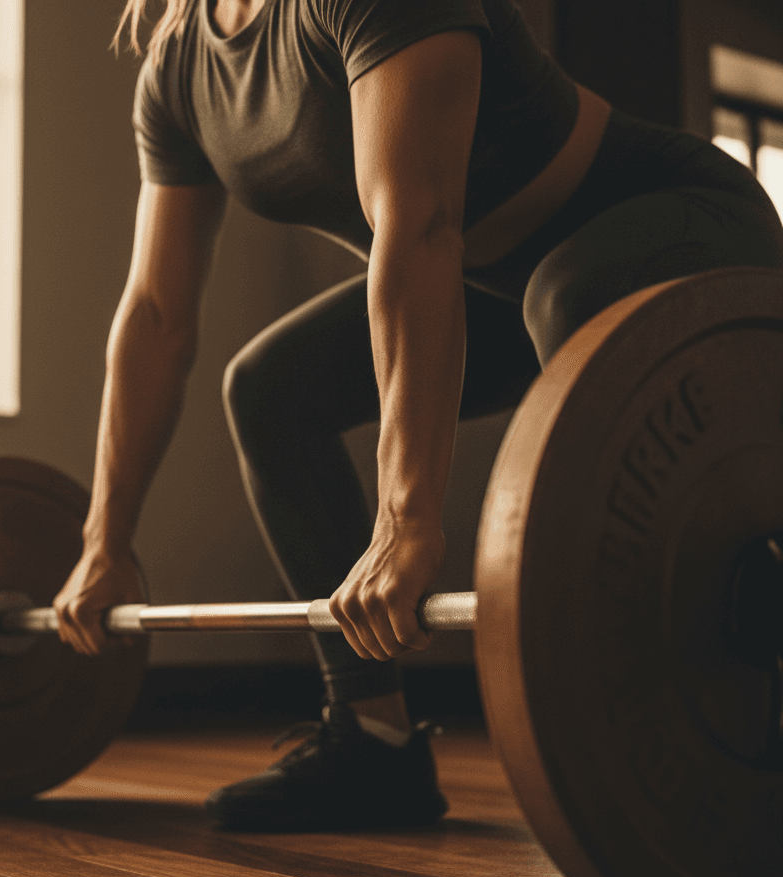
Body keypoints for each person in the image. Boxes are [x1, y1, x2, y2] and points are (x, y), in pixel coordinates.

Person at [53, 0, 783, 831]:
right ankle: (374, 742)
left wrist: (407, 518)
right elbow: (154, 315)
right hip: (510, 286)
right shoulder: (179, 69)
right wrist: (103, 543)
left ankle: (687, 693)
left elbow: (420, 220)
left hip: (676, 225)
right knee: (269, 389)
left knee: (565, 292)